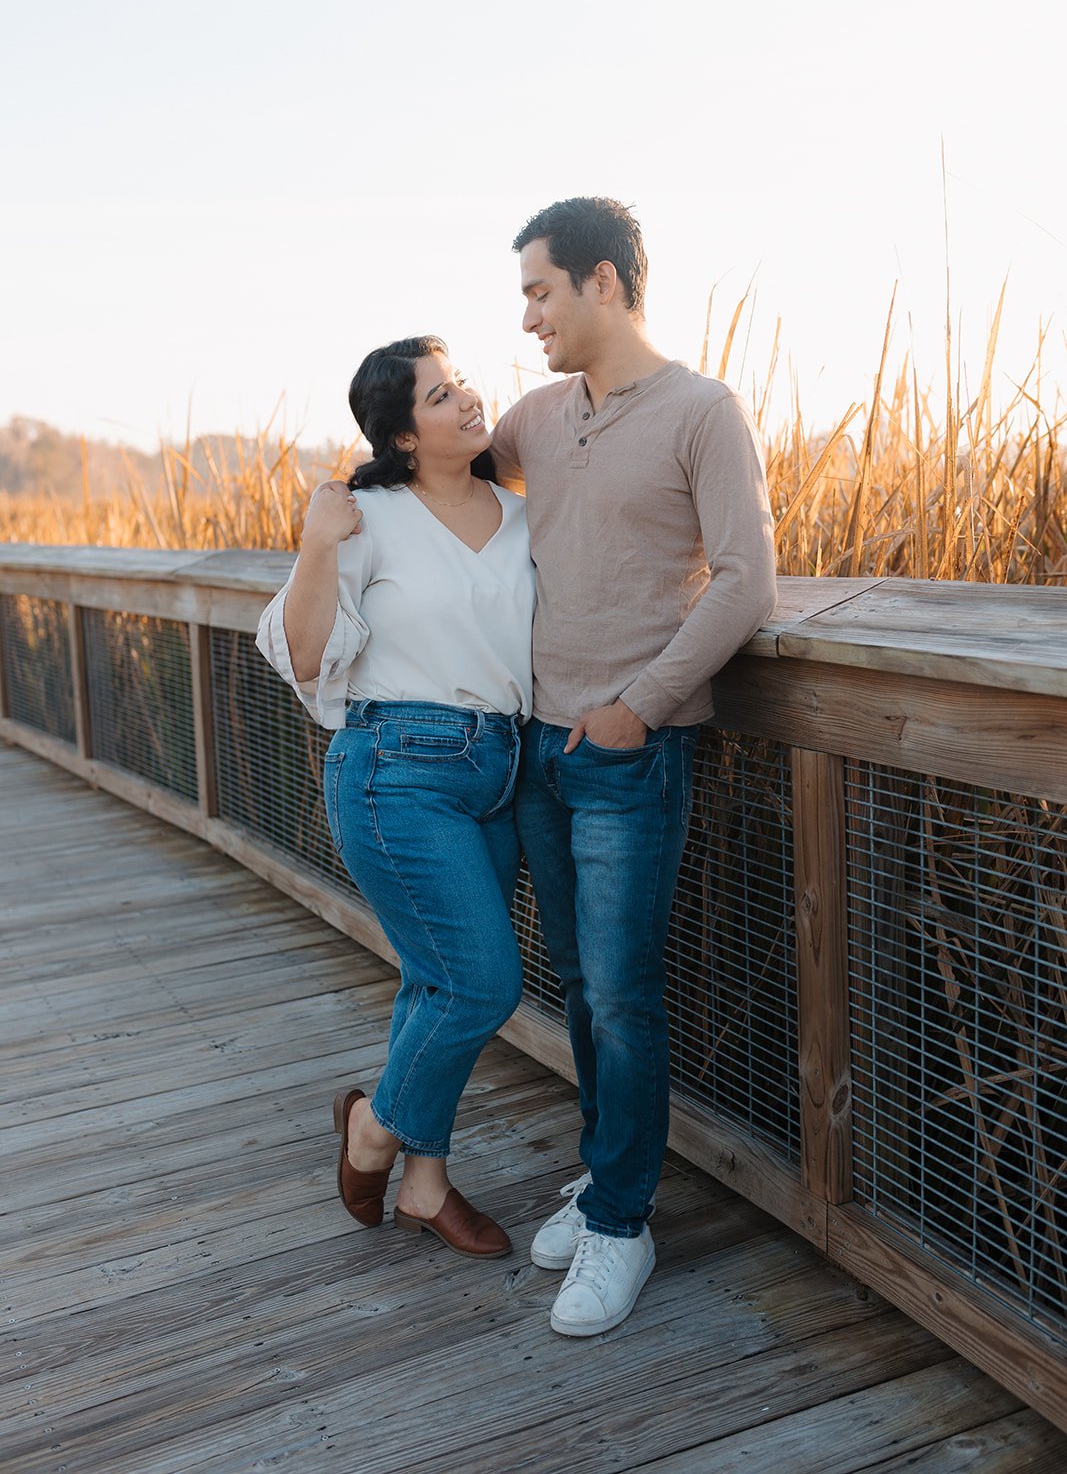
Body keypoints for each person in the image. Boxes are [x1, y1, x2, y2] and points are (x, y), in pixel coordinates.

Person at [491, 197, 777, 1334]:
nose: (527, 318)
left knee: (619, 993)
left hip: (625, 753)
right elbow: (439, 467)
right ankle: (606, 1177)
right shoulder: (535, 416)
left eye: (539, 291)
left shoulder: (703, 412)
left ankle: (619, 1222)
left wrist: (640, 707)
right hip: (533, 749)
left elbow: (748, 579)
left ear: (603, 282)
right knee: (573, 984)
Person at [256, 335, 535, 1259]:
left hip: (502, 766)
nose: (465, 401)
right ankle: (373, 1129)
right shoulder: (368, 515)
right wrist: (313, 545)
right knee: (482, 982)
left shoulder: (520, 513)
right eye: (439, 395)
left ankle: (424, 1182)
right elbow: (301, 654)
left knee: (434, 983)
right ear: (403, 435)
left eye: (461, 385)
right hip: (397, 769)